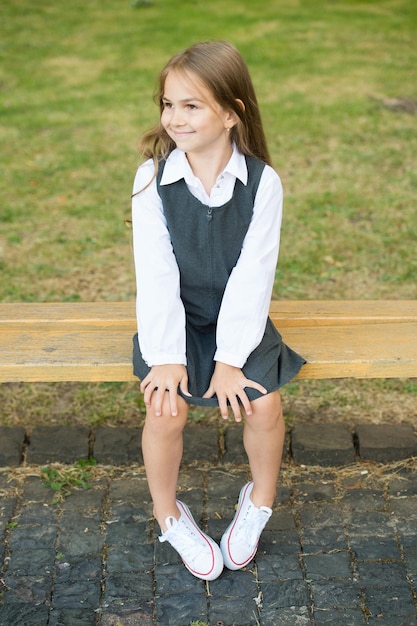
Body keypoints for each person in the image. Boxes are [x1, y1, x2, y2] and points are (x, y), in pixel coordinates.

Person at [131, 40, 305, 581]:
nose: (174, 118)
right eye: (167, 104)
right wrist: (166, 356)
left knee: (263, 405)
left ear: (232, 113)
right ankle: (169, 513)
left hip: (238, 319)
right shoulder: (151, 177)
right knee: (166, 410)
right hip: (174, 319)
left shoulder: (262, 184)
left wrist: (232, 359)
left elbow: (253, 278)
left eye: (191, 105)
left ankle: (258, 501)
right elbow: (155, 274)